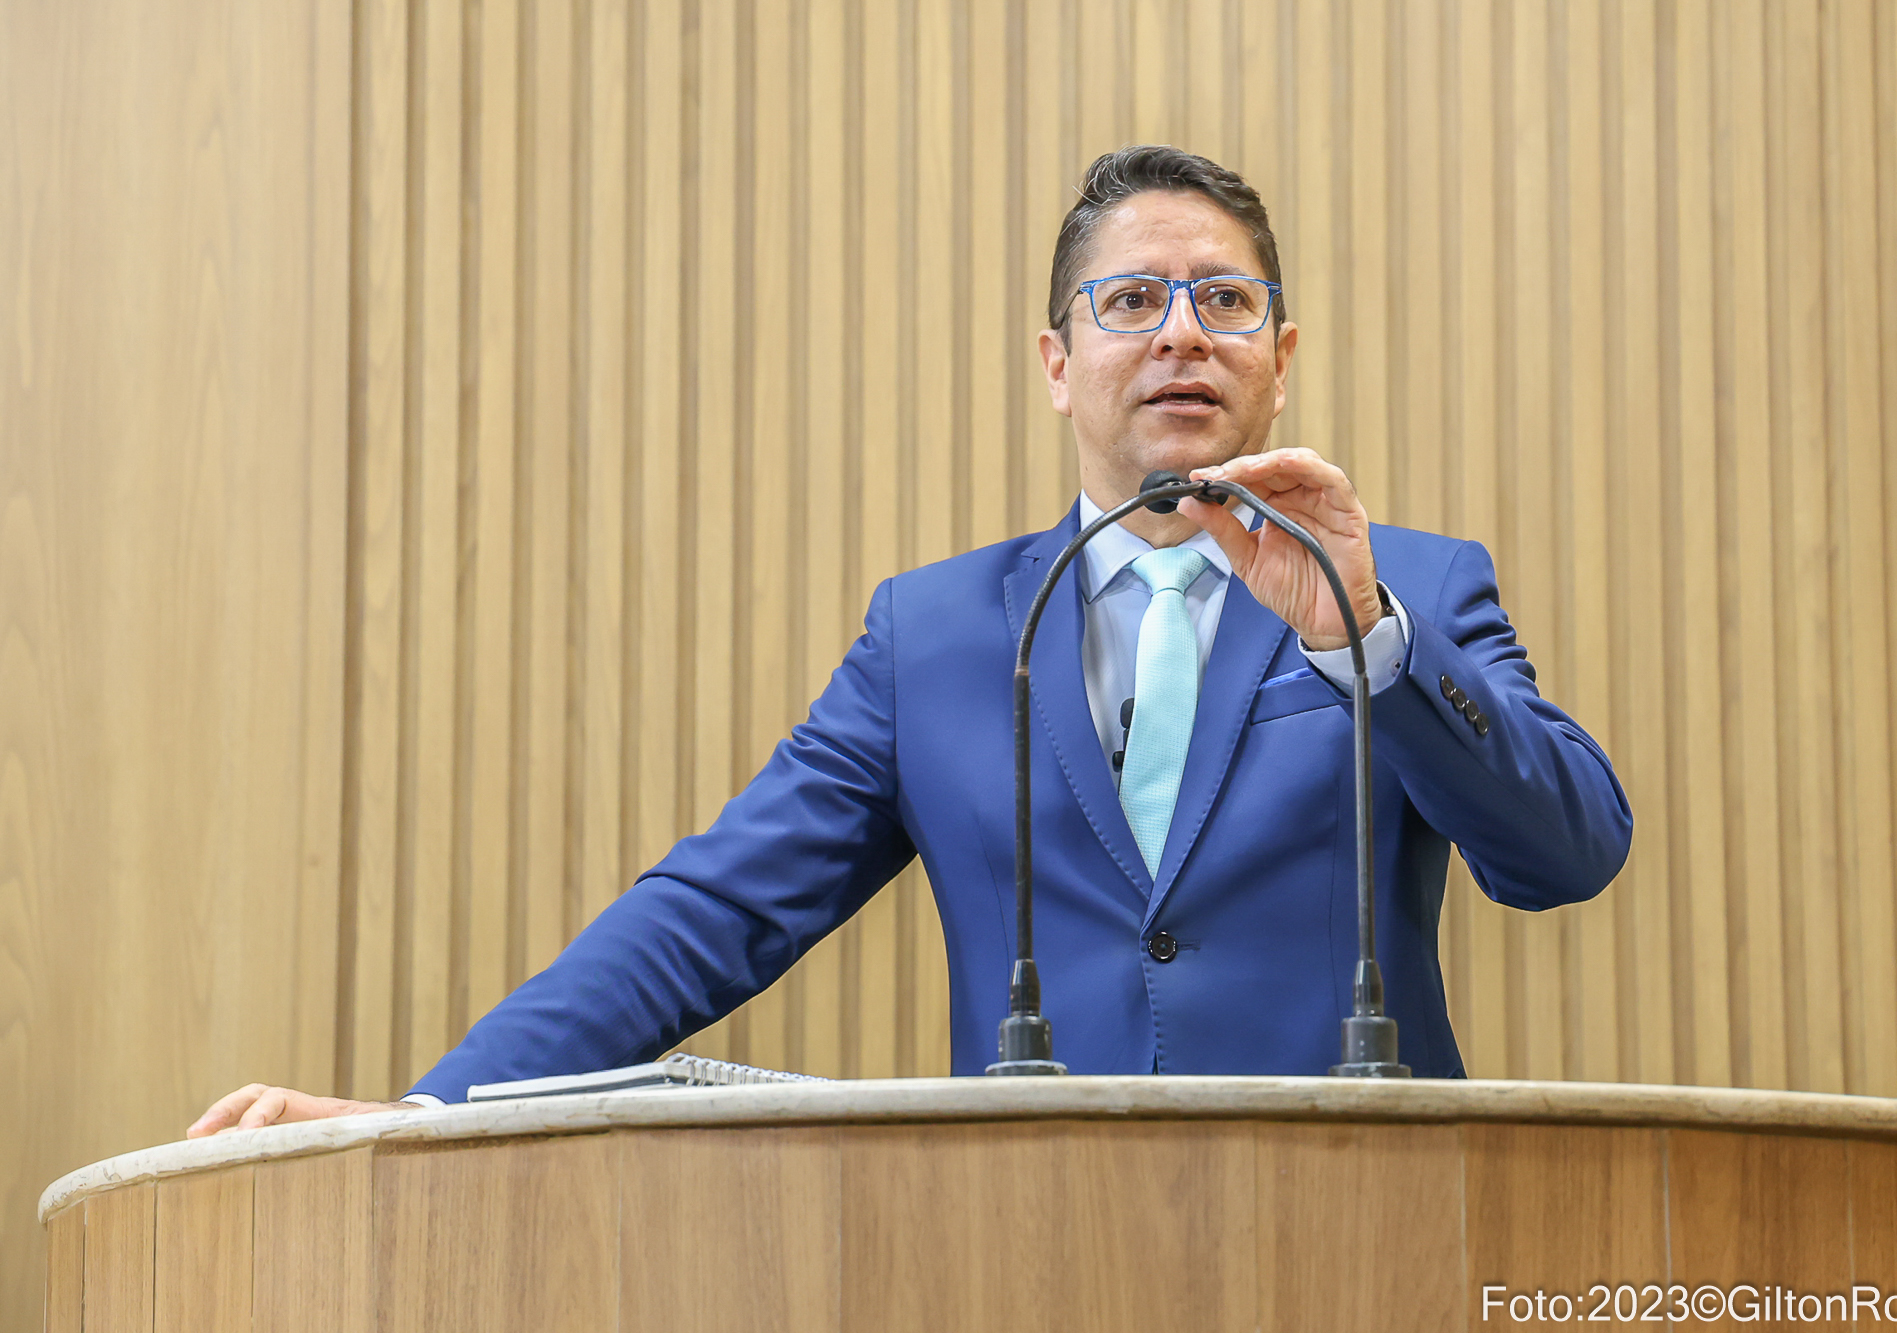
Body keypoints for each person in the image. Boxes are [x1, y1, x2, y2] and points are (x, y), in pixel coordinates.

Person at [190, 145, 1629, 1136]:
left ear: (1281, 356)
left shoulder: (1407, 585)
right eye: (1132, 301)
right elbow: (717, 907)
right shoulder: (936, 634)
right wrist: (429, 1110)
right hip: (1018, 1243)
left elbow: (1568, 854)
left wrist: (1366, 640)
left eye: (1225, 301)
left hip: (1364, 1223)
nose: (1181, 334)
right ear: (1058, 363)